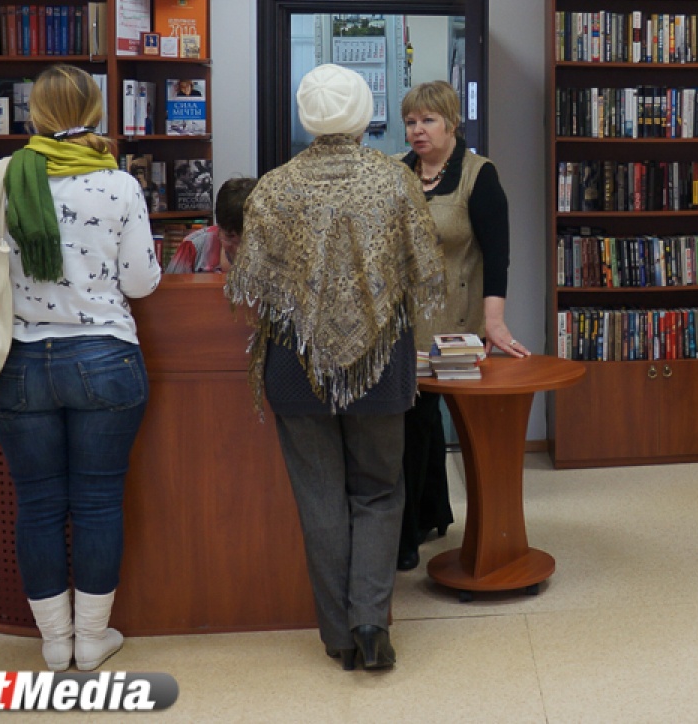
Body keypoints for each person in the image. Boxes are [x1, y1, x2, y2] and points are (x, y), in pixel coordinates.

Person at [228, 64, 444, 672]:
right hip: (379, 363)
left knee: (319, 498)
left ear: (307, 116)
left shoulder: (274, 187)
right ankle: (371, 622)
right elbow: (422, 269)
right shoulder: (394, 180)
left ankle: (338, 638)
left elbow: (254, 285)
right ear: (363, 112)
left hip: (296, 365)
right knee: (378, 490)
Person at [0, 64, 162, 672]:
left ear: (35, 113)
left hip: (18, 362)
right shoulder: (118, 183)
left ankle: (55, 642)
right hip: (104, 358)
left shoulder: (1, 175)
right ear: (95, 113)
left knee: (38, 504)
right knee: (99, 502)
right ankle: (92, 639)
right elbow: (141, 282)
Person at [396, 80, 527, 572]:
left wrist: (495, 322)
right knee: (413, 422)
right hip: (405, 323)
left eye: (428, 120)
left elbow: (497, 255)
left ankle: (425, 528)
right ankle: (422, 520)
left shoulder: (478, 174)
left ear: (452, 123)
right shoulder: (397, 173)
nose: (418, 130)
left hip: (456, 324)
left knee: (436, 420)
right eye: (411, 121)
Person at [166, 176, 256, 273]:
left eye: (247, 238)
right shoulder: (193, 247)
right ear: (219, 229)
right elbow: (171, 282)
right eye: (230, 237)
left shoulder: (268, 248)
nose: (239, 249)